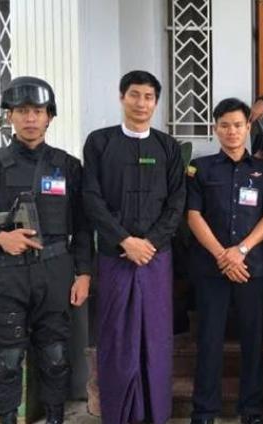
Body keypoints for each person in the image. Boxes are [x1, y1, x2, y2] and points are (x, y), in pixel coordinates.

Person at [0, 76, 93, 424]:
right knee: (9, 360)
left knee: (56, 356)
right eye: (23, 111)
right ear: (10, 116)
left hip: (55, 273)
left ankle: (56, 418)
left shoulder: (68, 166)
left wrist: (84, 273)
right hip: (9, 276)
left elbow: (83, 226)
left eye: (38, 111)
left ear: (50, 117)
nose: (31, 118)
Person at [82, 70, 186, 424]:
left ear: (156, 103)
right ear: (121, 97)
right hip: (115, 257)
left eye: (148, 97)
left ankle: (155, 413)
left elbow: (177, 203)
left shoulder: (168, 147)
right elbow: (91, 198)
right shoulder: (99, 143)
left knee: (155, 337)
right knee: (116, 337)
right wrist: (124, 240)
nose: (141, 103)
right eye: (135, 95)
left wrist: (150, 243)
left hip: (156, 258)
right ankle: (119, 414)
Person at [186, 98, 263, 424]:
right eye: (224, 125)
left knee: (253, 340)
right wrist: (223, 255)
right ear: (215, 128)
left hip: (251, 268)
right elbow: (193, 216)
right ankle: (204, 411)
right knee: (209, 340)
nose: (232, 131)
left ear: (248, 127)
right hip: (211, 269)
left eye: (238, 125)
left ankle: (251, 411)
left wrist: (241, 251)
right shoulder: (200, 168)